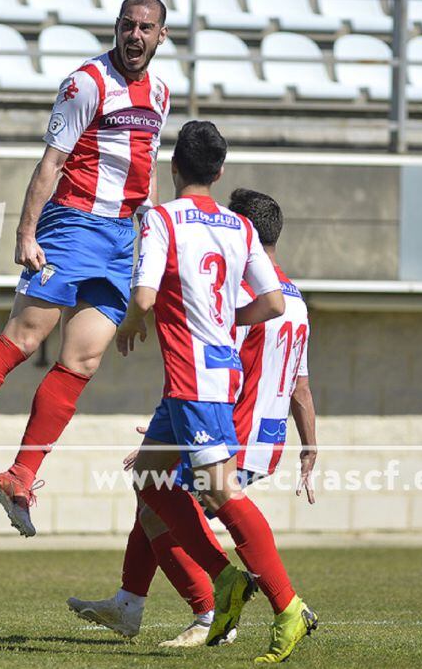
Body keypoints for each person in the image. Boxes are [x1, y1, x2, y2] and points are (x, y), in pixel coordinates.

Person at [0, 0, 171, 537]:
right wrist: (26, 232)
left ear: (160, 37)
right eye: (127, 25)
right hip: (72, 223)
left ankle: (20, 475)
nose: (135, 35)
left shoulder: (162, 94)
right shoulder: (86, 83)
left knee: (82, 362)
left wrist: (146, 247)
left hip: (121, 235)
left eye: (145, 28)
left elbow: (145, 173)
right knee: (26, 337)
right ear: (116, 27)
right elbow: (52, 162)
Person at [66, 188, 318, 649]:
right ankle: (132, 601)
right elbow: (298, 384)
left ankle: (214, 611)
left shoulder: (234, 291)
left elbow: (224, 365)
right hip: (265, 436)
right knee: (153, 493)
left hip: (227, 422)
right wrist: (309, 446)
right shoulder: (294, 297)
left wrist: (183, 426)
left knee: (172, 505)